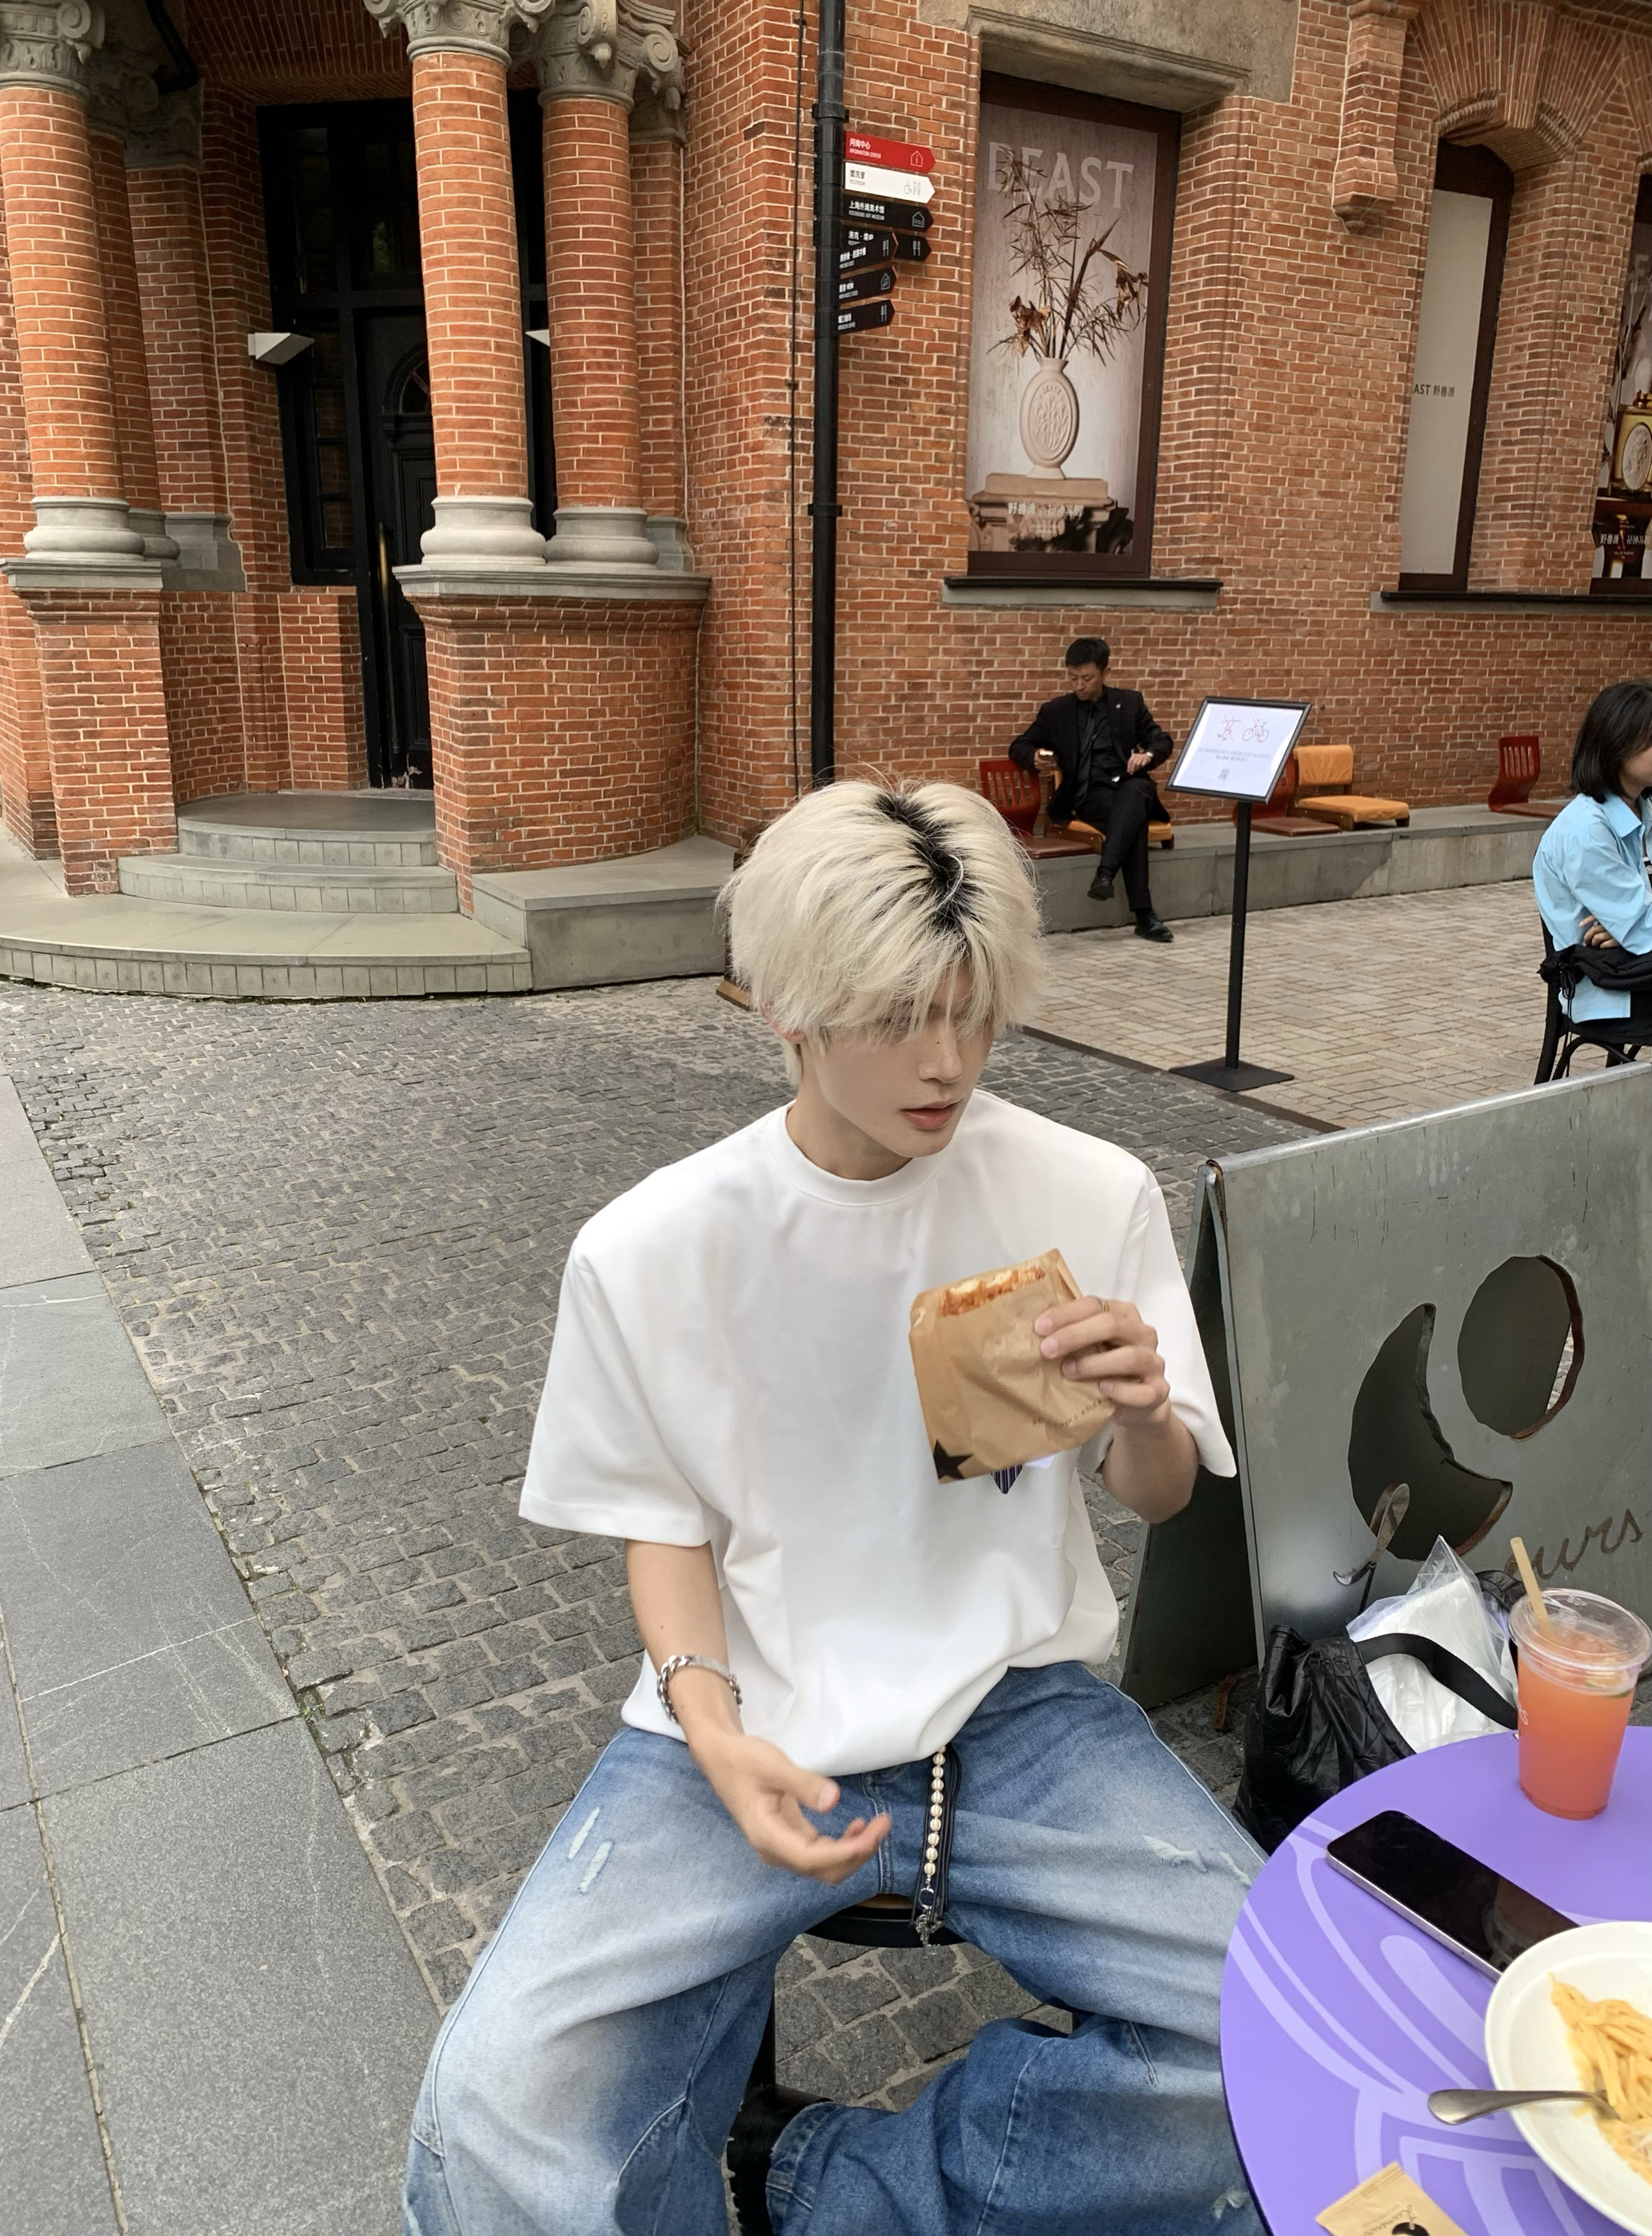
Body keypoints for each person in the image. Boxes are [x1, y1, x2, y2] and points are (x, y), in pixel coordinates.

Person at [401, 780, 1263, 2236]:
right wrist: (712, 1724)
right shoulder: (652, 1248)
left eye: (974, 1010)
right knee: (496, 2115)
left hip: (1019, 1710)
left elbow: (1157, 1493)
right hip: (748, 1720)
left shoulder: (1084, 1186)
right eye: (899, 1016)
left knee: (1284, 2040)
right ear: (784, 1008)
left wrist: (1140, 1411)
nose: (948, 1061)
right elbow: (664, 1523)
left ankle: (836, 2185)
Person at [1008, 636, 1176, 942]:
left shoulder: (1130, 703)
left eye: (1087, 678)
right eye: (1073, 678)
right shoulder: (1056, 711)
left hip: (1131, 784)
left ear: (1105, 673)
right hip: (1091, 796)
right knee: (1132, 821)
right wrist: (1035, 756)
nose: (1079, 686)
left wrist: (1148, 755)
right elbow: (1019, 745)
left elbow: (1161, 740)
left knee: (1136, 792)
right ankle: (1144, 916)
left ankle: (1106, 874)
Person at [1532, 679, 1652, 1020]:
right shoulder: (1586, 829)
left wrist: (1630, 925)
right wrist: (1635, 924)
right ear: (1618, 743)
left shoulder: (1644, 809)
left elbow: (1638, 926)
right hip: (1613, 988)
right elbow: (1640, 926)